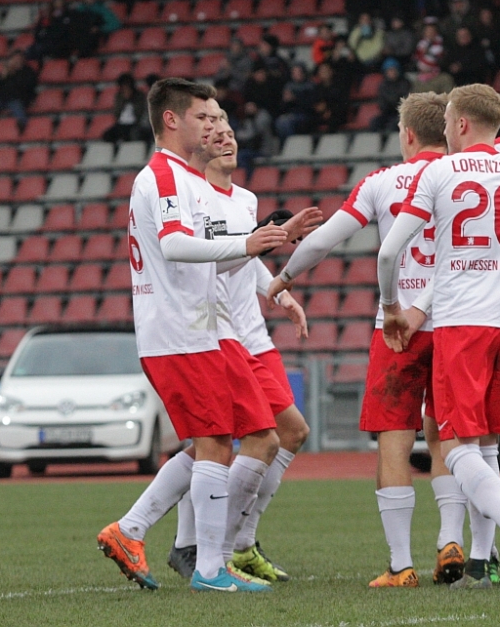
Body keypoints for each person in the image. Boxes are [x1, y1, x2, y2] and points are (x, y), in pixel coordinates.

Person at [268, 93, 472, 588]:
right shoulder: (465, 176)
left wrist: (285, 277)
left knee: (394, 440)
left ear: (407, 134)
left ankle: (401, 564)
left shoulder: (381, 182)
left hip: (397, 325)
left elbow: (322, 240)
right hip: (455, 320)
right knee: (448, 436)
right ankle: (451, 540)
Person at [375, 84, 500, 592]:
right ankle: (481, 564)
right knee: (484, 444)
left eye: (447, 122)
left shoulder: (440, 172)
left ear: (460, 123)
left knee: (456, 443)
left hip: (462, 323)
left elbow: (389, 252)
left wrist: (392, 306)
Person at [96, 78, 287, 593]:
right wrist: (247, 243)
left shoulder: (187, 177)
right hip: (178, 330)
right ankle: (207, 567)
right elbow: (175, 246)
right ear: (172, 120)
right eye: (203, 117)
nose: (213, 126)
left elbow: (208, 262)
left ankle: (134, 530)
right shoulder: (162, 175)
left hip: (207, 329)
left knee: (249, 436)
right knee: (214, 443)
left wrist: (258, 250)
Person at [165, 119, 321, 582]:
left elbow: (245, 257)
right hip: (218, 334)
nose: (227, 139)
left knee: (282, 434)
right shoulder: (193, 199)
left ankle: (233, 541)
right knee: (223, 441)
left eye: (231, 133)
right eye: (216, 133)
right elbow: (211, 260)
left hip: (250, 335)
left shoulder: (246, 200)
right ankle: (206, 544)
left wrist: (281, 294)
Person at [0, 50, 38, 129]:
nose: (16, 61)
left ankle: (23, 126)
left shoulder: (28, 71)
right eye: (14, 59)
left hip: (17, 99)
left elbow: (28, 85)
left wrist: (16, 73)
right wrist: (4, 75)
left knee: (18, 108)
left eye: (18, 59)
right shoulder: (6, 72)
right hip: (1, 100)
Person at [102, 73, 152, 145]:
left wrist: (131, 99)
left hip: (135, 124)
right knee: (107, 135)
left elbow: (139, 112)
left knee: (135, 134)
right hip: (121, 124)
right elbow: (117, 113)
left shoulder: (139, 96)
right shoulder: (119, 96)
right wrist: (124, 100)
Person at [370, 58, 411, 132]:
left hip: (400, 113)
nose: (392, 73)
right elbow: (382, 102)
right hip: (387, 113)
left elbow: (405, 99)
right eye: (389, 70)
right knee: (375, 122)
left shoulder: (405, 83)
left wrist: (394, 103)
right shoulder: (383, 85)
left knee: (394, 124)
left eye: (393, 70)